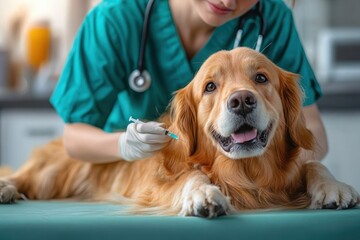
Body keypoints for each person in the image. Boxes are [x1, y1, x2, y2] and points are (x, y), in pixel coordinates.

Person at [50, 0, 328, 164]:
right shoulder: (115, 19)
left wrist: (278, 170)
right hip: (129, 179)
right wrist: (124, 145)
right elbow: (74, 138)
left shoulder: (271, 18)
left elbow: (313, 130)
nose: (228, 2)